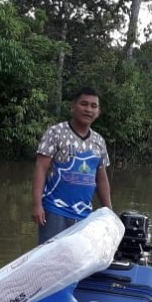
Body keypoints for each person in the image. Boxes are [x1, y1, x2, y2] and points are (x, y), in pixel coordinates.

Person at [31, 87, 113, 243]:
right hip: (54, 210)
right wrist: (36, 205)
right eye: (84, 104)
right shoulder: (56, 133)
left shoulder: (99, 141)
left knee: (76, 260)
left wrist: (108, 212)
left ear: (98, 112)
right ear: (73, 106)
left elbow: (101, 179)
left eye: (93, 106)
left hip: (84, 215)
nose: (88, 109)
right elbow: (41, 168)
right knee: (50, 257)